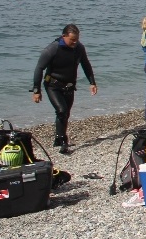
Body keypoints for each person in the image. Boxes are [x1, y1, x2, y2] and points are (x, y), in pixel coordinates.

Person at [31, 24, 98, 154]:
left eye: (77, 39)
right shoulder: (53, 49)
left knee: (65, 113)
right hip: (52, 85)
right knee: (62, 110)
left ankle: (58, 138)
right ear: (64, 36)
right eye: (72, 39)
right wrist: (36, 90)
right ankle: (63, 140)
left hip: (69, 86)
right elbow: (39, 68)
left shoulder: (79, 48)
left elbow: (86, 64)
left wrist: (92, 82)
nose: (75, 42)